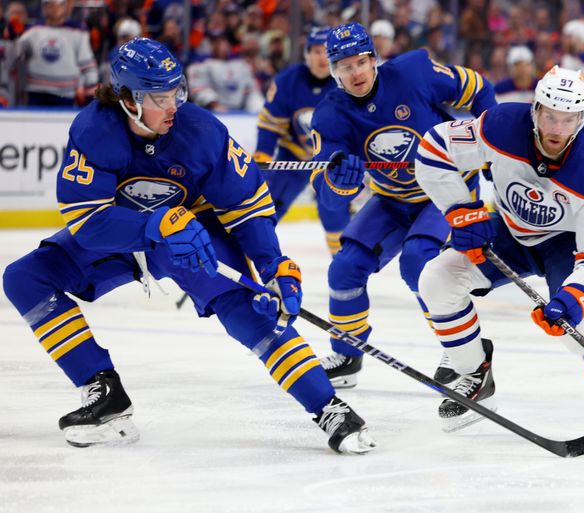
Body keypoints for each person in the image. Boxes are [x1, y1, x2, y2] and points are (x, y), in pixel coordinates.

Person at [1, 38, 376, 455]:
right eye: (160, 96)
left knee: (252, 309)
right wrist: (157, 222)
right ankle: (102, 390)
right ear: (128, 99)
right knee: (25, 278)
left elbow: (247, 209)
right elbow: (87, 222)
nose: (173, 104)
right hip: (125, 234)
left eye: (177, 90)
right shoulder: (94, 130)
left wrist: (274, 265)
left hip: (192, 236)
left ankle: (330, 407)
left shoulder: (202, 131)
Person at [414, 65, 584, 450]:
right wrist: (461, 210)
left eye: (569, 119)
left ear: (582, 118)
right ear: (536, 109)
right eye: (550, 116)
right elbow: (434, 148)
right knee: (437, 279)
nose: (557, 129)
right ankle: (474, 374)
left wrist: (576, 296)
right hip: (509, 231)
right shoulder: (501, 123)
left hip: (567, 246)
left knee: (583, 328)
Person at [310, 22, 496, 388]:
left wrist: (488, 144)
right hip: (394, 198)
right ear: (334, 72)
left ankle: (461, 349)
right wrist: (340, 181)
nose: (356, 72)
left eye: (361, 62)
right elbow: (326, 191)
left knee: (419, 262)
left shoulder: (413, 72)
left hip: (446, 188)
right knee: (344, 269)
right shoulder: (331, 114)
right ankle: (347, 353)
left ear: (374, 59)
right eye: (344, 66)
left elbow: (478, 88)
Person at [254, 27, 349, 256]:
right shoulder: (288, 80)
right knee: (266, 208)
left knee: (334, 212)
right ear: (307, 54)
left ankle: (343, 264)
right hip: (293, 155)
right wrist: (262, 154)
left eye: (326, 51)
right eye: (316, 51)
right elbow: (270, 124)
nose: (321, 57)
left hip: (331, 159)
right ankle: (250, 254)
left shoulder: (347, 80)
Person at [16, 0, 98, 106]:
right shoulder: (32, 31)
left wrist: (90, 93)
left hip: (66, 93)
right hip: (36, 92)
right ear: (43, 7)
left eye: (57, 5)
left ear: (64, 6)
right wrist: (12, 36)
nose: (54, 8)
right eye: (49, 4)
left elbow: (87, 64)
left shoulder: (78, 32)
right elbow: (16, 55)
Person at [187, 33, 264, 113]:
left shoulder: (241, 64)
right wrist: (214, 104)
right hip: (210, 113)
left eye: (226, 43)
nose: (223, 46)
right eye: (219, 43)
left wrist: (258, 107)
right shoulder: (200, 63)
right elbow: (198, 88)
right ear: (212, 45)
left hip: (239, 112)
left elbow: (251, 90)